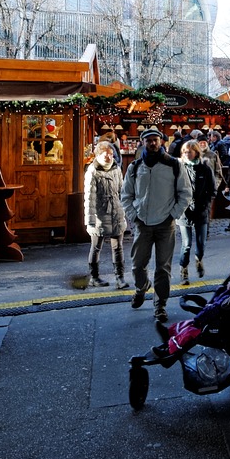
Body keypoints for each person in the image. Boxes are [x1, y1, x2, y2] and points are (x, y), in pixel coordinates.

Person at [120, 127, 192, 324]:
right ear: (143, 142)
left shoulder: (174, 165)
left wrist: (173, 215)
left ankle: (160, 305)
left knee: (163, 267)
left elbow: (185, 193)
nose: (153, 143)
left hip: (165, 224)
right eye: (149, 140)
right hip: (142, 223)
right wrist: (134, 215)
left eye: (156, 140)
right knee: (137, 265)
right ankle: (141, 287)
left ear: (161, 142)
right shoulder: (135, 167)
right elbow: (126, 195)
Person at [83, 140, 127, 288]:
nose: (109, 156)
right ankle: (94, 277)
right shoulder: (93, 171)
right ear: (98, 154)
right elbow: (89, 197)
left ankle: (120, 278)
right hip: (100, 214)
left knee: (118, 247)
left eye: (111, 153)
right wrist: (90, 220)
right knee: (96, 247)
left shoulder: (116, 169)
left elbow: (122, 190)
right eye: (105, 154)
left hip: (116, 211)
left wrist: (125, 210)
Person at [178, 140, 216, 283]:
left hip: (200, 210)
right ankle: (184, 269)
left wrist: (205, 204)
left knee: (201, 243)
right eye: (185, 152)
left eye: (189, 151)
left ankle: (198, 259)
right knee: (186, 243)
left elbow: (212, 190)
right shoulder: (180, 168)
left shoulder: (205, 169)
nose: (187, 154)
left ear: (196, 152)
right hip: (184, 211)